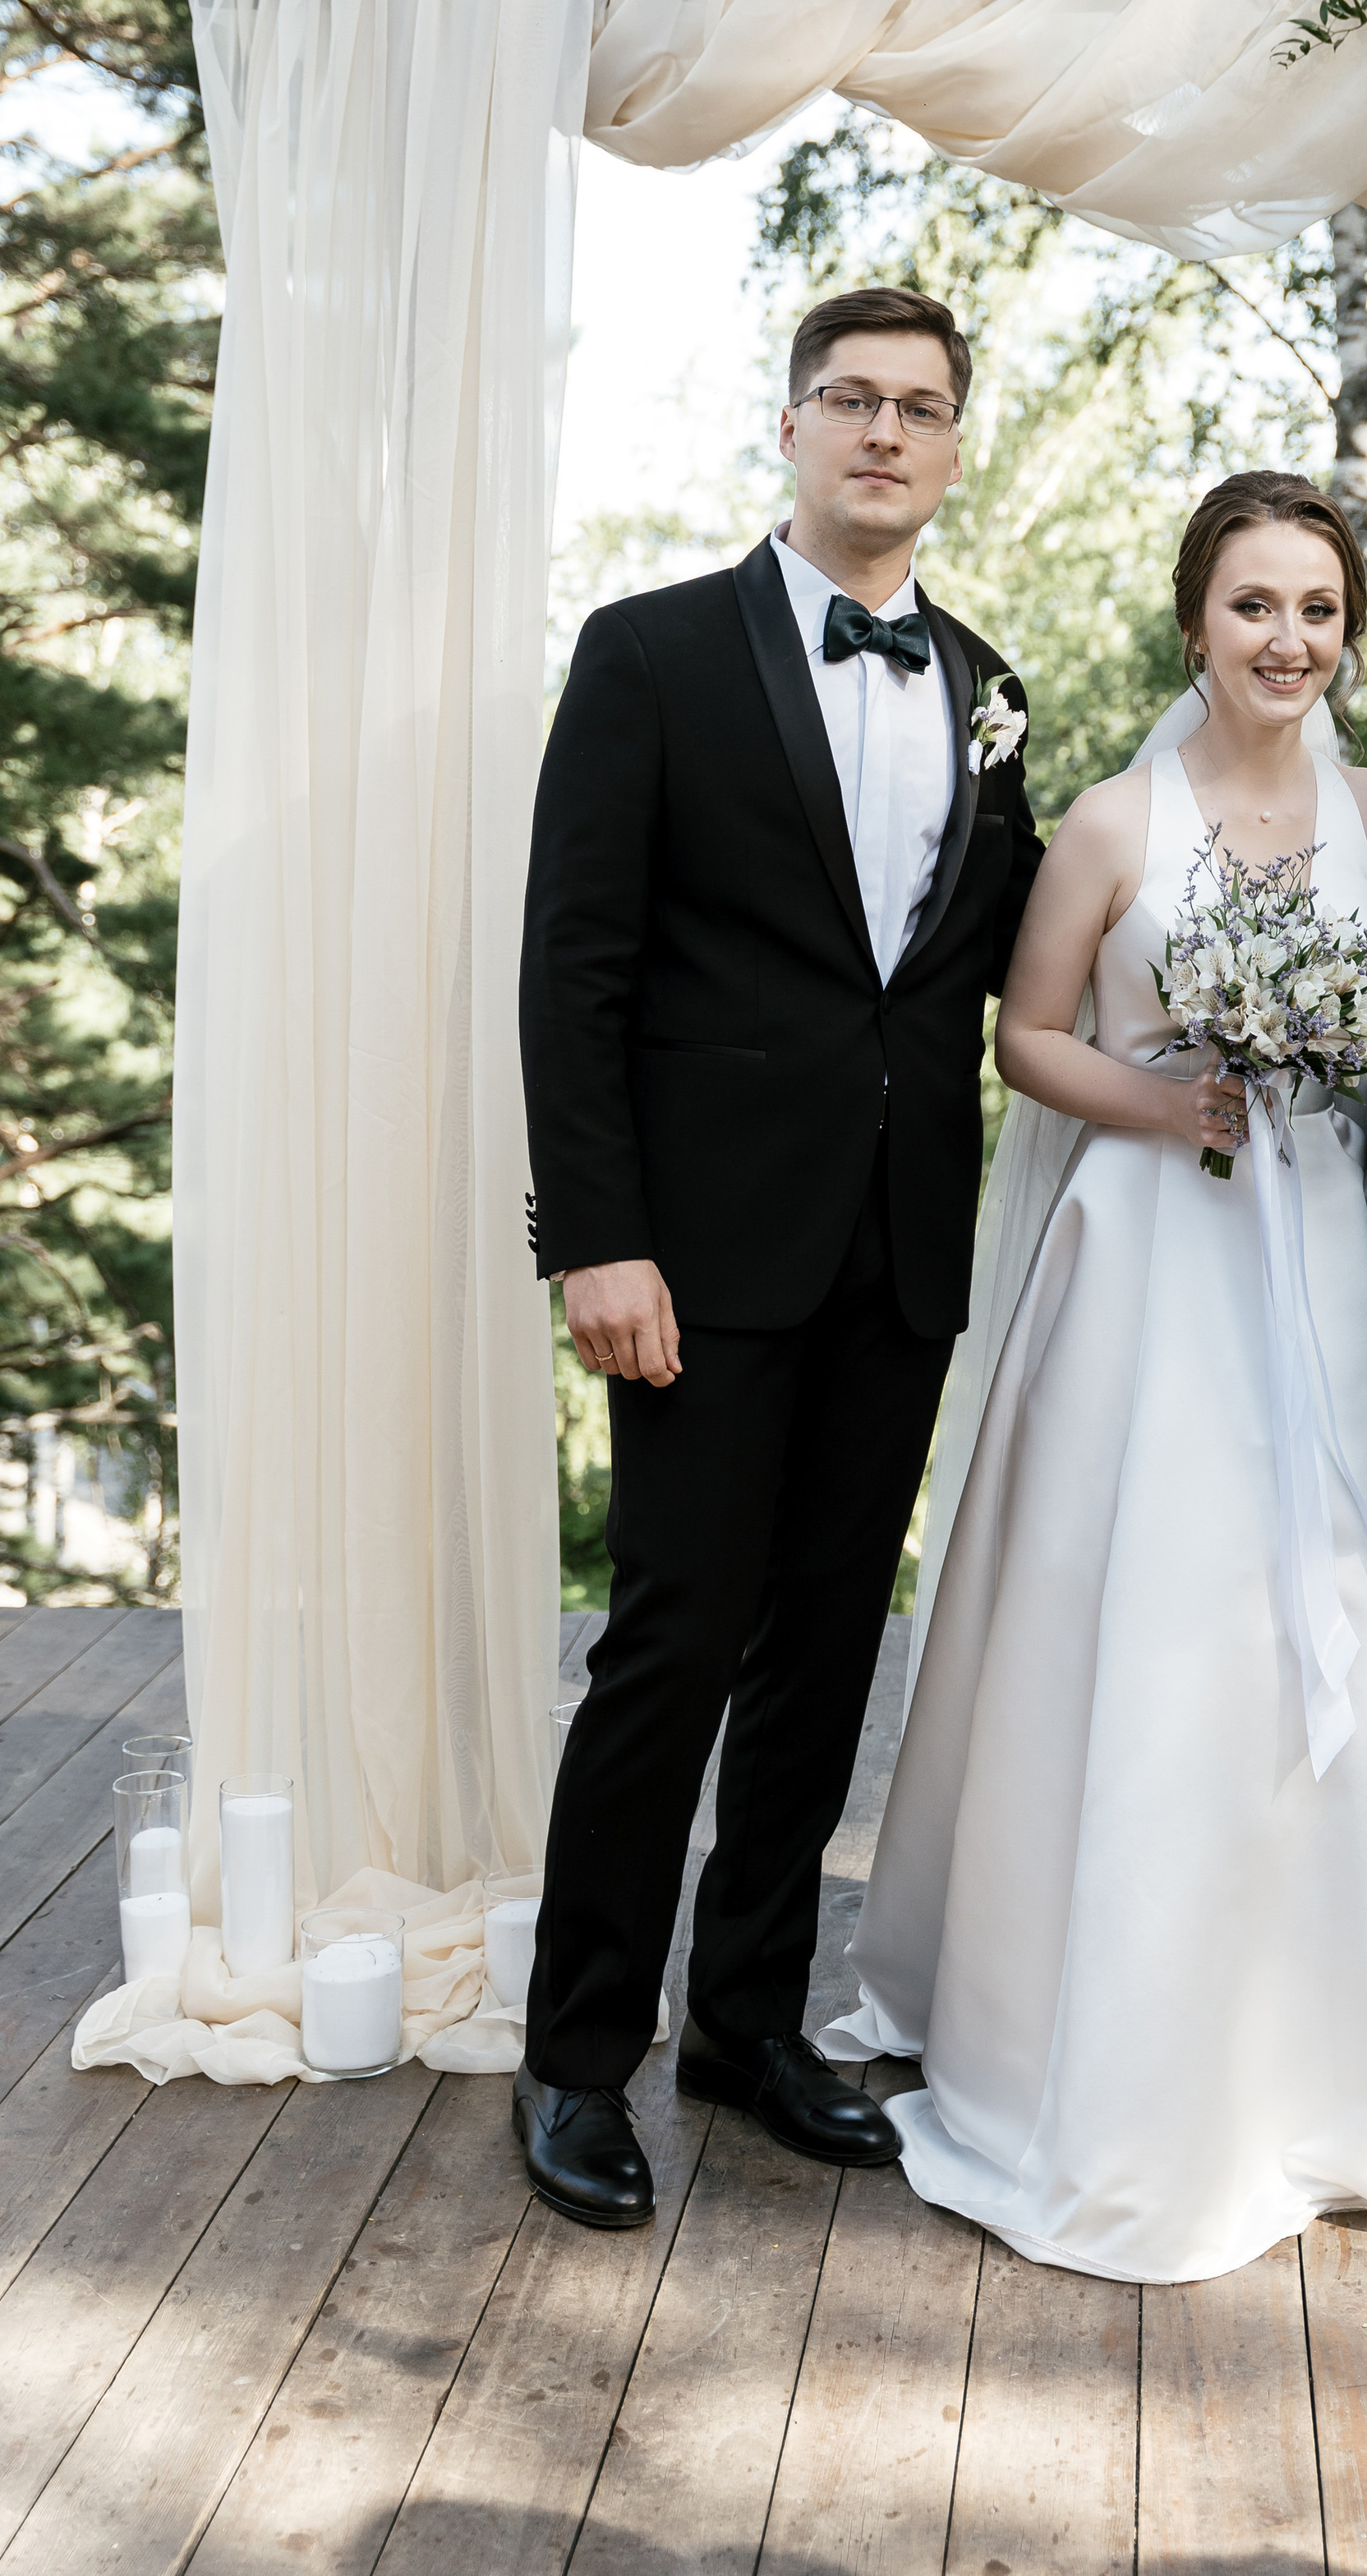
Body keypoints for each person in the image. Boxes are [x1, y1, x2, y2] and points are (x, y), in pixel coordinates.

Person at [819, 470, 1367, 2284]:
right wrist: (1175, 1094)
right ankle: (1102, 2058)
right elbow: (1024, 1037)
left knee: (1312, 1626)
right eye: (1254, 606)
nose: (1289, 641)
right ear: (1193, 619)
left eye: (1319, 611)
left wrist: (1315, 1068)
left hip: (1313, 1267)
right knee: (1138, 1622)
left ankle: (1330, 2065)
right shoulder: (1116, 821)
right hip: (1148, 1261)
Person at [513, 285, 1045, 2229]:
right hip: (698, 1259)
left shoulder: (991, 684)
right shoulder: (648, 652)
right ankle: (578, 2057)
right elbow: (573, 970)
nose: (883, 434)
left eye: (918, 407)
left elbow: (992, 966)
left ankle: (743, 2027)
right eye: (850, 401)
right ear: (794, 424)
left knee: (824, 1656)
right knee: (669, 1648)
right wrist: (600, 1241)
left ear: (954, 444)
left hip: (894, 1258)